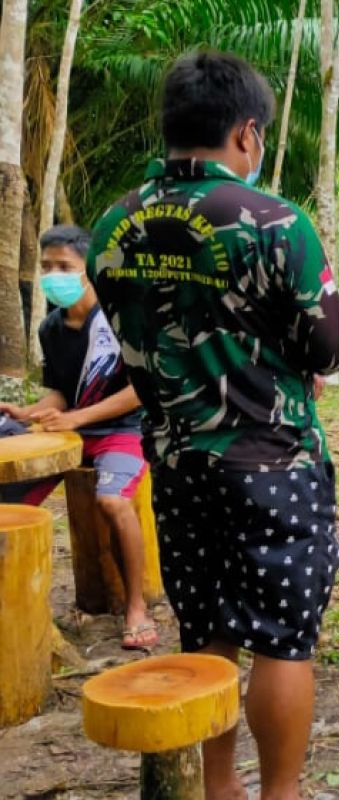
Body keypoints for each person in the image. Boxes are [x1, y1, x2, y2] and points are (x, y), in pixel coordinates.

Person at [88, 51, 339, 800]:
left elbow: (138, 337)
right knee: (283, 638)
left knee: (205, 626)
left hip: (175, 462)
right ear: (248, 133)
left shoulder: (114, 224)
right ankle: (279, 794)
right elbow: (331, 347)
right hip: (272, 460)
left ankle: (220, 789)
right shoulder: (276, 222)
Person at [0, 224, 156, 650]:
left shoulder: (121, 318)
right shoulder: (50, 328)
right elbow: (61, 391)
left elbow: (141, 389)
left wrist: (79, 417)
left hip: (122, 431)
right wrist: (30, 411)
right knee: (8, 502)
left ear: (89, 271)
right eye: (47, 266)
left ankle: (136, 607)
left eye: (64, 266)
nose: (54, 274)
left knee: (112, 501)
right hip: (69, 431)